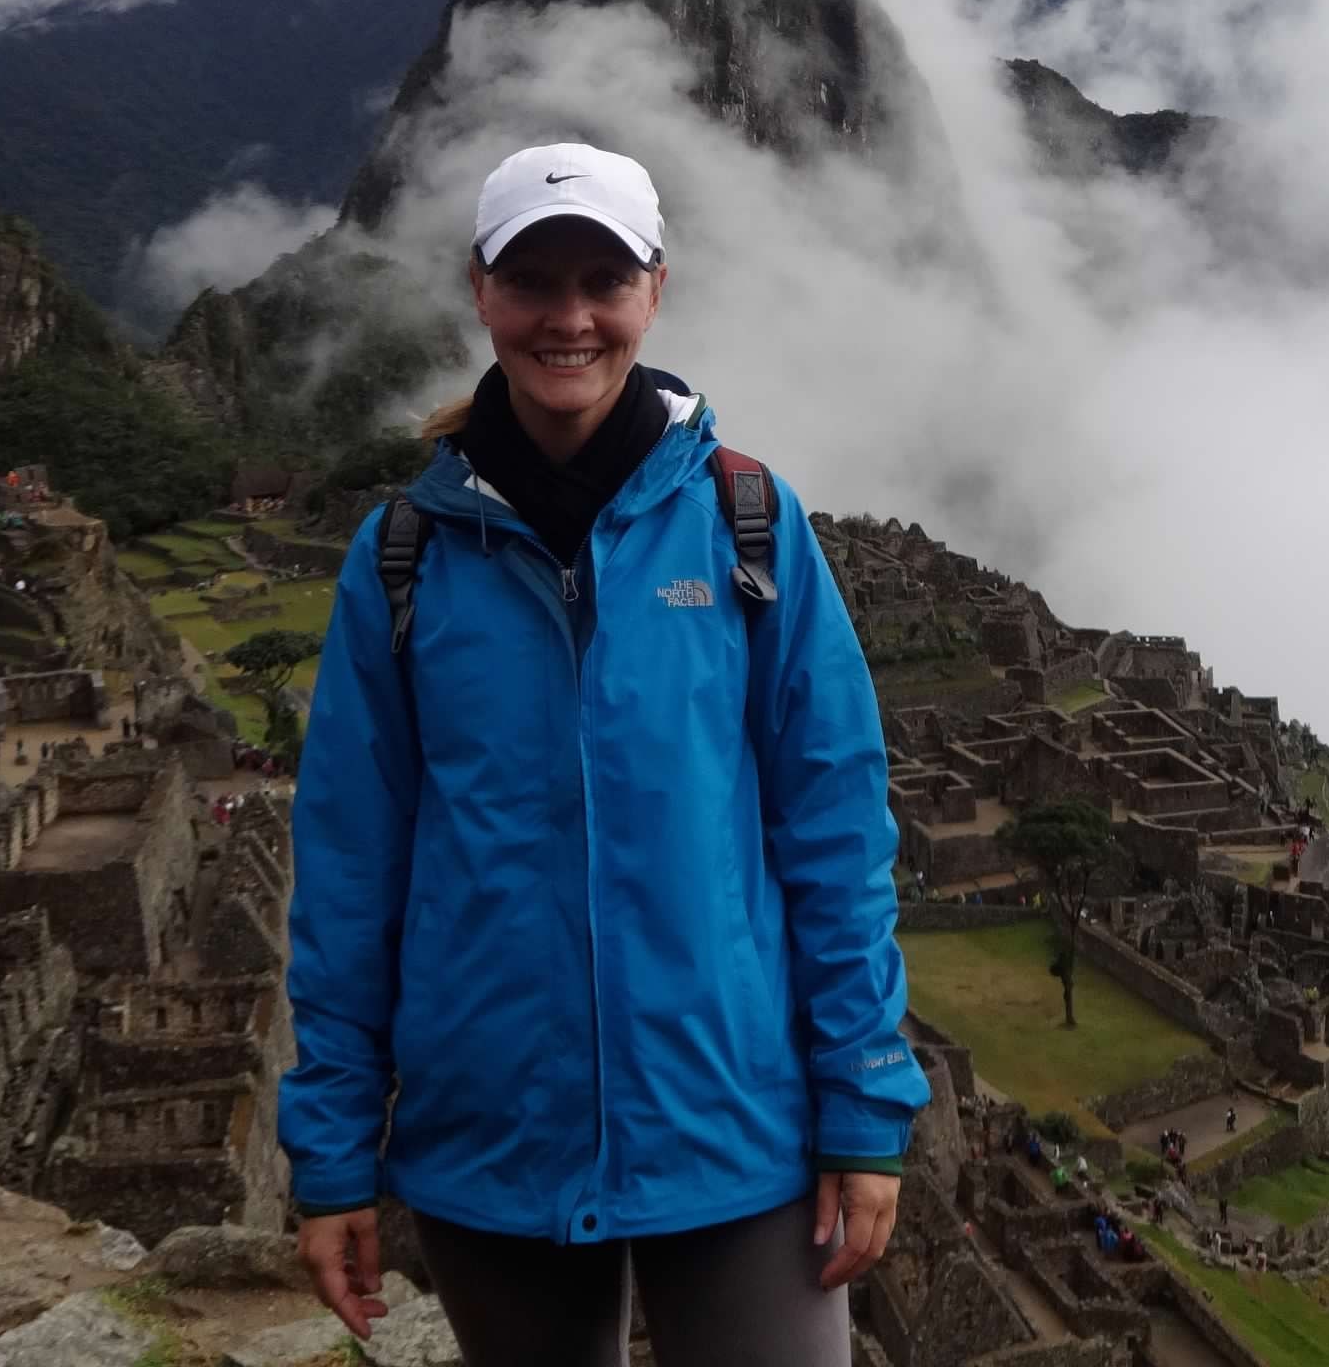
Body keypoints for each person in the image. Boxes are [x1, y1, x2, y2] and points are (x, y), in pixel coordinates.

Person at [283, 144, 925, 1367]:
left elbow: (834, 824)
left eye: (603, 280)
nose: (568, 318)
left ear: (654, 291)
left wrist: (863, 1104)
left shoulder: (749, 522)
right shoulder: (406, 556)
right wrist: (331, 1155)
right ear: (481, 292)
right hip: (493, 1135)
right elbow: (353, 863)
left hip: (730, 1124)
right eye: (533, 282)